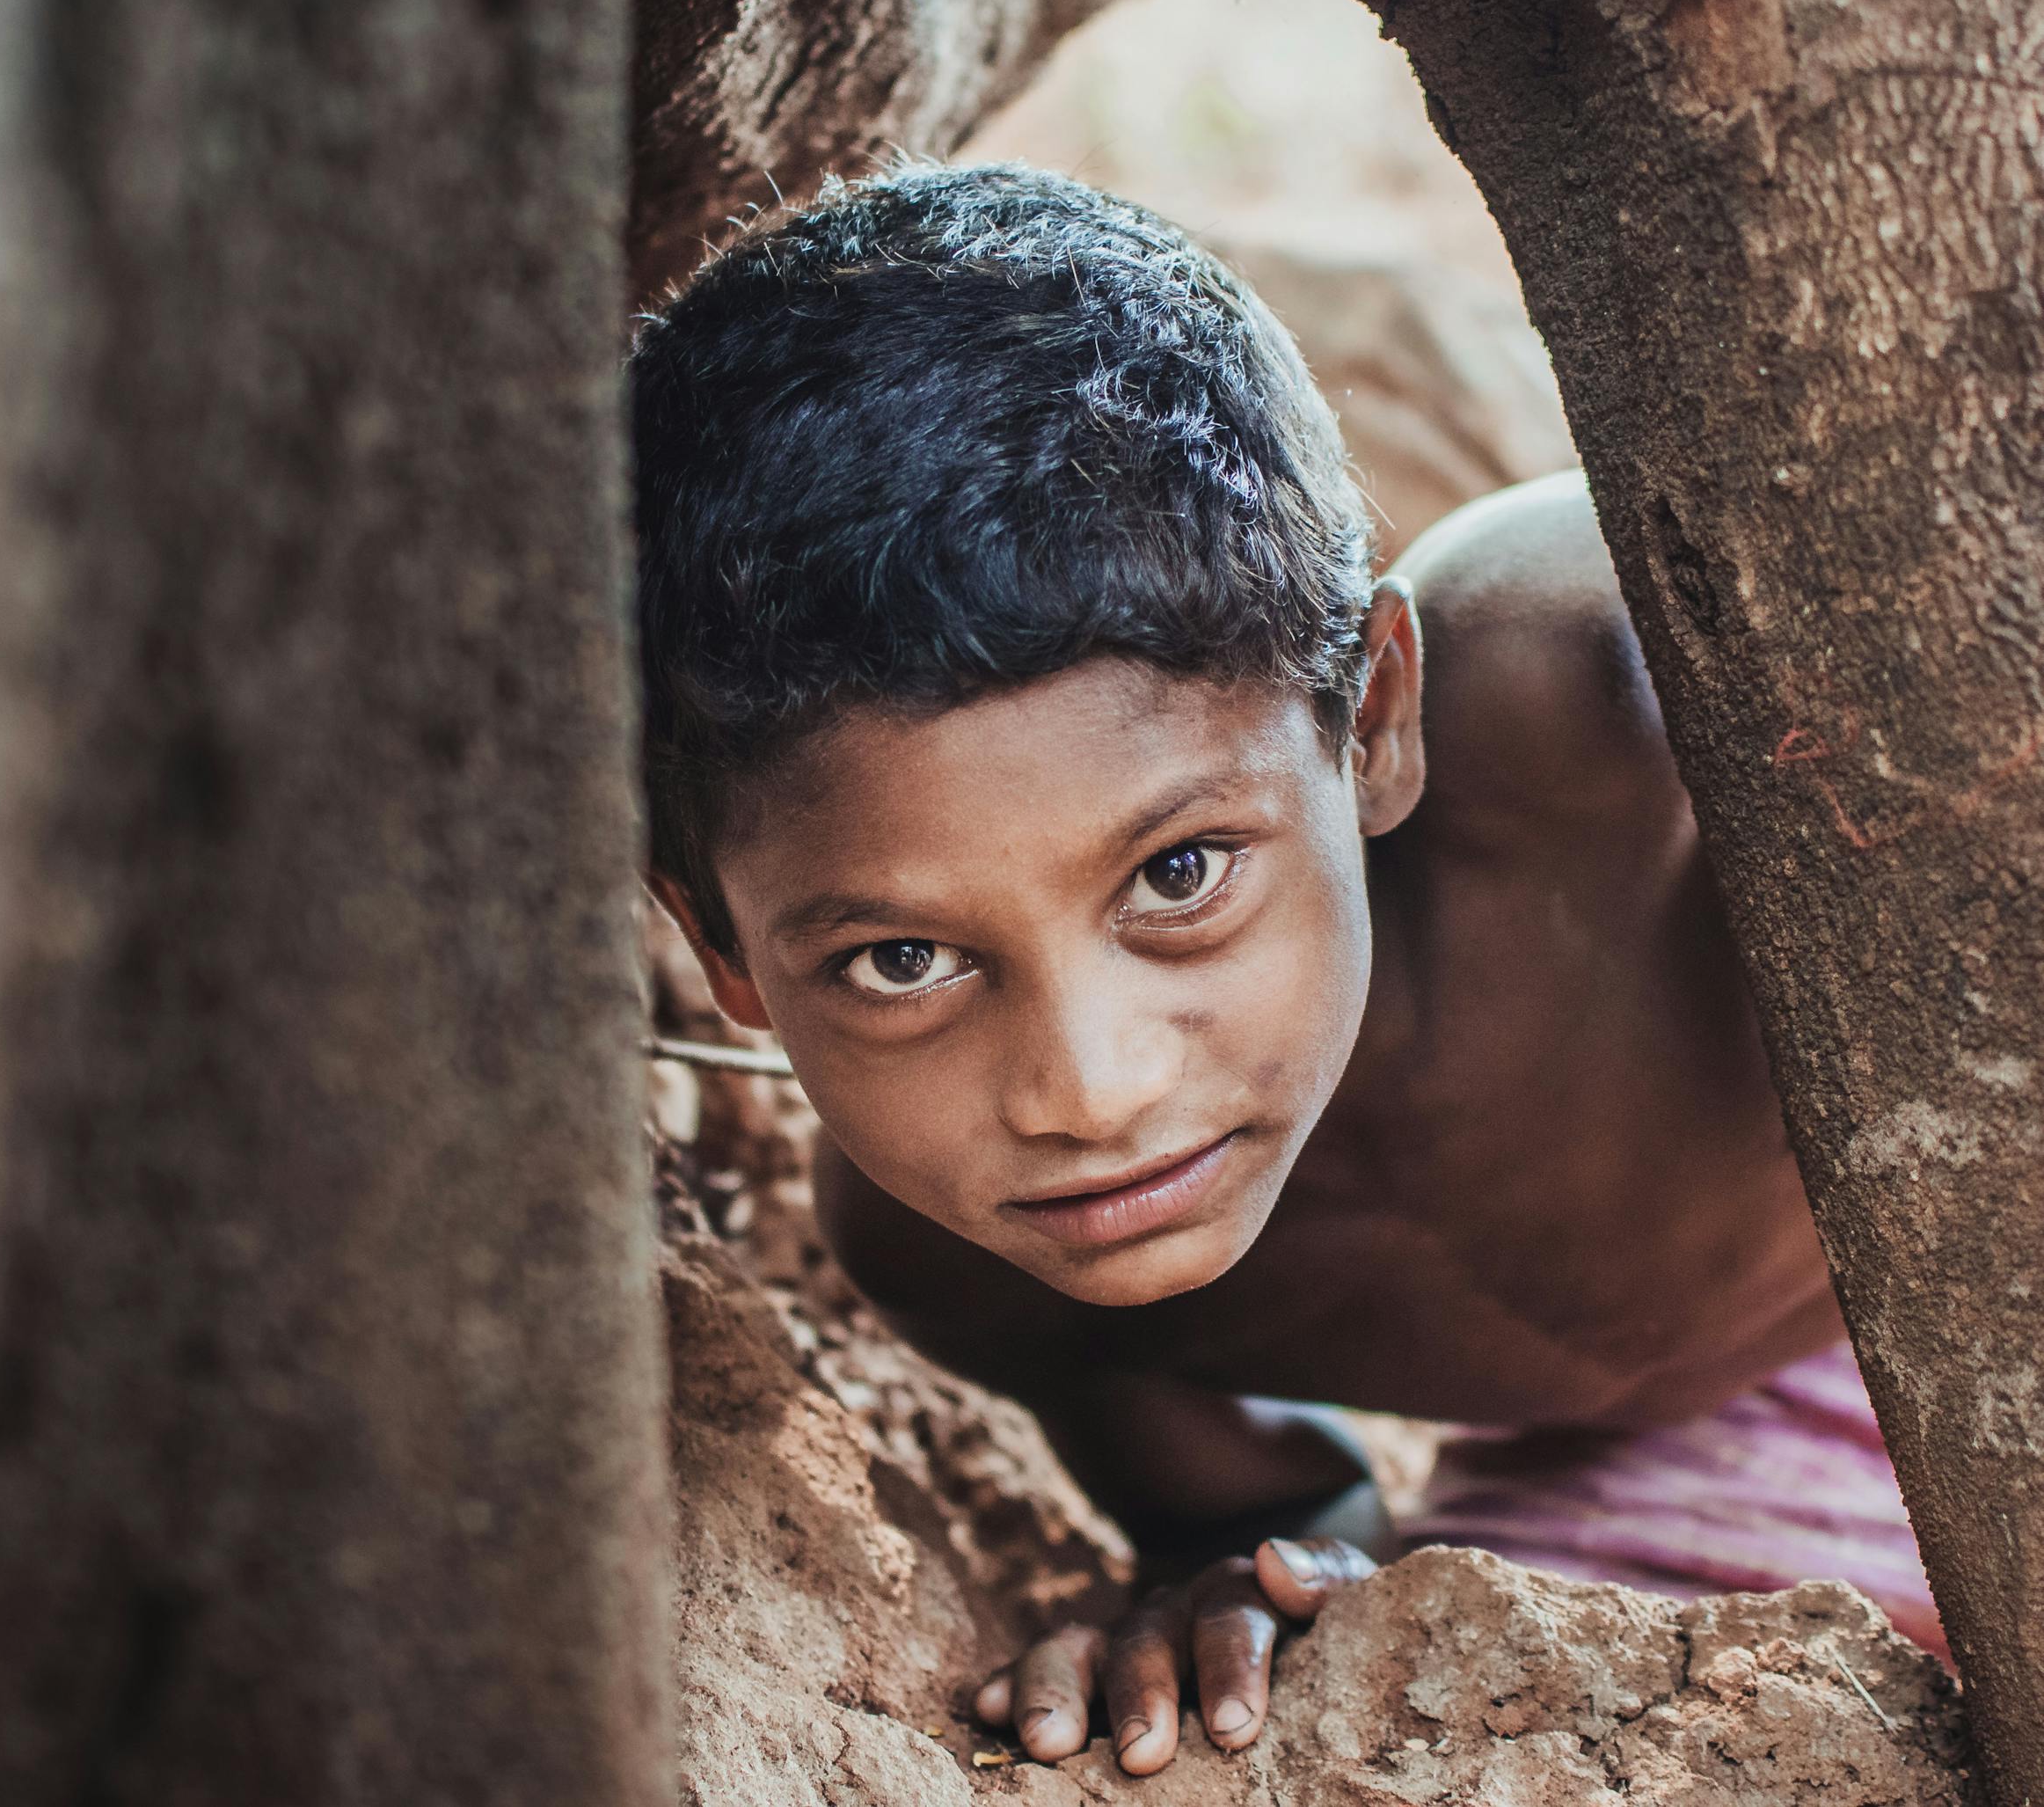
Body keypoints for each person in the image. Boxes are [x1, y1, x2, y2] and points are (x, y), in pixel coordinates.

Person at [630, 162, 1944, 1776]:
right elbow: (1286, 1513)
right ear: (715, 944)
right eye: (901, 958)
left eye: (1179, 874)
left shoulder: (1594, 697)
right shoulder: (952, 1255)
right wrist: (1241, 1584)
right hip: (1639, 1478)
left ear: (1371, 718)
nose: (1090, 1090)